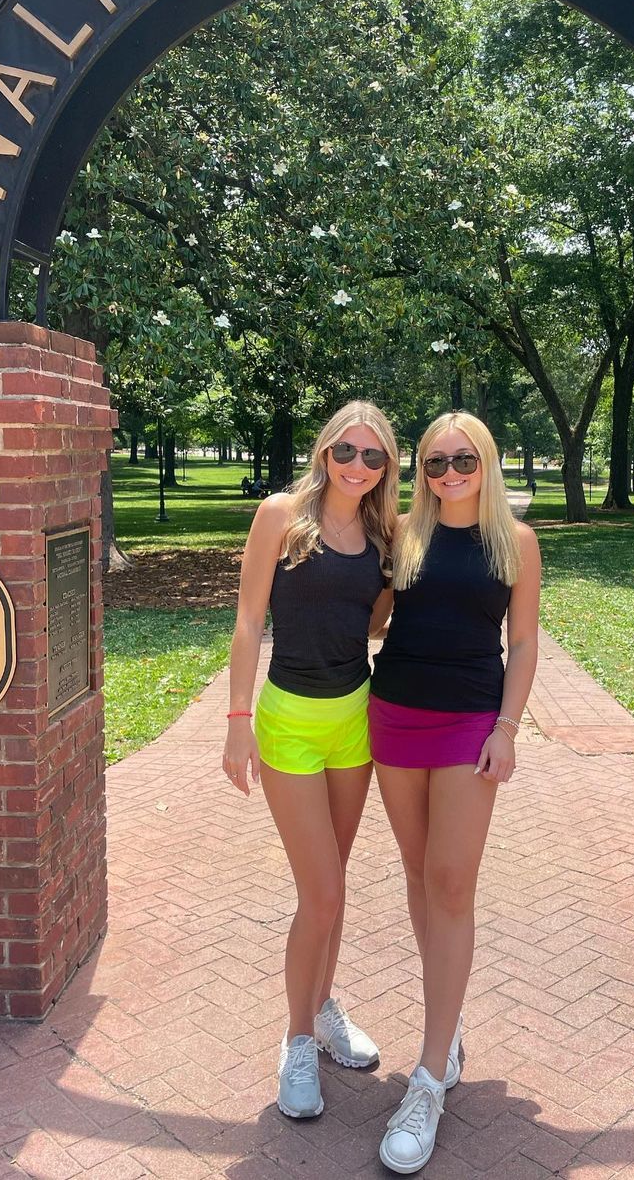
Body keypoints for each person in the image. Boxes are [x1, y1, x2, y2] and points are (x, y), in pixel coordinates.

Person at [369, 411, 541, 1174]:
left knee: (450, 881)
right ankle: (450, 1028)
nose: (449, 474)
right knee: (418, 875)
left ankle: (429, 1077)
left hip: (470, 720)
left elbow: (524, 641)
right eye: (435, 463)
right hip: (395, 713)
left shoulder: (515, 541)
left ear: (486, 462)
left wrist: (508, 727)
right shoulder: (403, 533)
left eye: (463, 460)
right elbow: (374, 619)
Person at [223, 401, 399, 1120]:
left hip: (354, 721)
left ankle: (323, 1009)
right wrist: (238, 722)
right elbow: (247, 620)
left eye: (372, 455)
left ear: (386, 467)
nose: (357, 465)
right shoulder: (280, 515)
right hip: (289, 723)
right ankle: (297, 1041)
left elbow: (376, 622)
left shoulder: (385, 537)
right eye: (345, 450)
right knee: (320, 891)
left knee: (335, 882)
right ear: (325, 451)